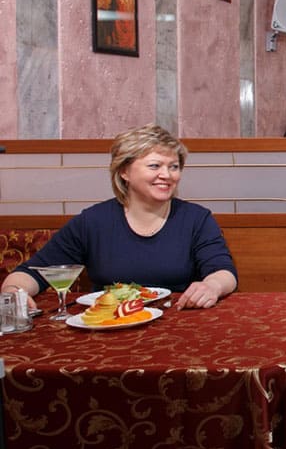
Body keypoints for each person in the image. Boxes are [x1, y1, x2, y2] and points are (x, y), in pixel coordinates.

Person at [1, 124, 238, 310]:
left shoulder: (196, 218)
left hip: (178, 321)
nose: (167, 175)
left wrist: (212, 286)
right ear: (124, 171)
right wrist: (14, 292)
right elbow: (32, 273)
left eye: (174, 167)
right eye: (155, 166)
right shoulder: (92, 221)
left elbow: (223, 272)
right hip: (109, 326)